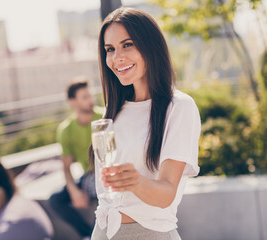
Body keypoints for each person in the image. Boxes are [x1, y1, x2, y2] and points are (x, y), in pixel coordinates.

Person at [88, 7, 201, 240]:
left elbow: (166, 193)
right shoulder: (113, 113)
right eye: (110, 49)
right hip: (103, 232)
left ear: (150, 46)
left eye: (127, 45)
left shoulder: (179, 107)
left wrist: (135, 181)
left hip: (148, 233)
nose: (117, 57)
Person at [49, 79, 103, 239]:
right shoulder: (66, 130)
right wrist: (73, 190)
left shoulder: (105, 117)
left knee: (101, 192)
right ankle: (88, 234)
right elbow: (66, 167)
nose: (90, 100)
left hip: (106, 174)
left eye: (90, 96)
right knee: (55, 200)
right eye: (85, 97)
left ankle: (97, 235)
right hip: (87, 177)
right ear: (73, 101)